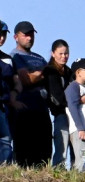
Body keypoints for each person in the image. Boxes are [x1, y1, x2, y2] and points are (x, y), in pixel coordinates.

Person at [9, 21, 51, 167]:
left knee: (44, 154)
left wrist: (39, 75)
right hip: (25, 110)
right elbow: (26, 79)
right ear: (16, 37)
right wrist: (42, 73)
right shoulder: (14, 57)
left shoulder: (40, 58)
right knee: (24, 154)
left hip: (42, 110)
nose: (29, 38)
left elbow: (52, 79)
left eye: (31, 34)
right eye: (25, 35)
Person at [43, 39, 73, 168]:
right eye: (60, 53)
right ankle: (58, 168)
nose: (64, 56)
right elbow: (56, 96)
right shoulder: (50, 70)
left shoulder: (69, 71)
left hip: (72, 112)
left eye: (66, 53)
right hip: (60, 112)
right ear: (53, 53)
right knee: (61, 143)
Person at [0, 21, 15, 164]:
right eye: (0, 34)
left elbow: (13, 82)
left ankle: (4, 171)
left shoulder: (7, 59)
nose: (2, 38)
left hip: (3, 106)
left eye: (4, 34)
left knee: (5, 140)